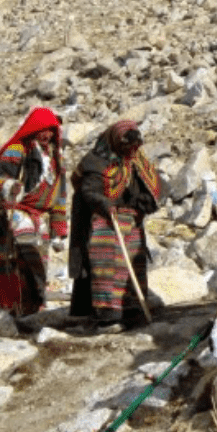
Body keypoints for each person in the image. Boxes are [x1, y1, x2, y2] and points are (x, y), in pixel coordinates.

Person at [69, 120, 162, 330]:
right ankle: (108, 313)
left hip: (129, 220)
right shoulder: (96, 162)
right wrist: (105, 204)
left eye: (135, 148)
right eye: (127, 148)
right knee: (107, 261)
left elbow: (149, 188)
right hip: (102, 219)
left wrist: (142, 206)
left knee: (133, 262)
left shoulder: (137, 162)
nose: (132, 152)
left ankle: (131, 308)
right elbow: (89, 191)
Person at [0, 106, 68, 316]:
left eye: (51, 130)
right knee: (19, 257)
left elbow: (59, 192)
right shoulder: (17, 149)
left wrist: (59, 226)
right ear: (34, 129)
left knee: (40, 259)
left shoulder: (55, 155)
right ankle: (11, 306)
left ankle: (34, 305)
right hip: (17, 211)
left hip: (40, 216)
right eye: (43, 129)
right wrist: (10, 187)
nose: (47, 134)